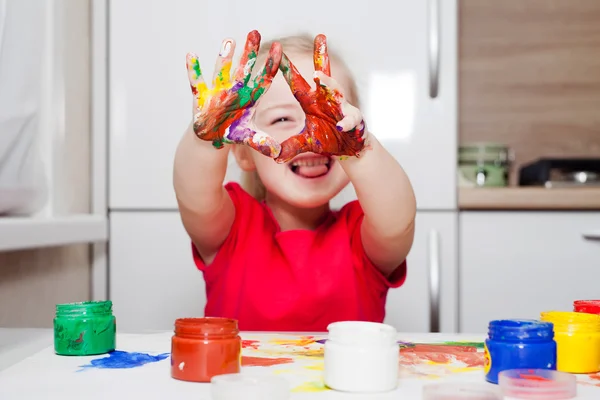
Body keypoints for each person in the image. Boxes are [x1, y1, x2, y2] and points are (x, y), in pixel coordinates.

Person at [173, 31, 416, 332]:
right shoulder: (232, 229)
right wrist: (205, 138)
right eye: (282, 119)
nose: (310, 136)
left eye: (330, 116)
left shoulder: (363, 238)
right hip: (240, 379)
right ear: (245, 153)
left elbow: (398, 221)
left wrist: (362, 151)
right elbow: (192, 195)